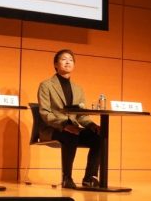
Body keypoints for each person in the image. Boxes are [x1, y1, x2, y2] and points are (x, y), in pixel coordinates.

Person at [36, 48, 102, 189]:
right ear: (56, 64)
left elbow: (81, 115)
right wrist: (65, 125)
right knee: (70, 134)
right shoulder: (46, 85)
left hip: (74, 128)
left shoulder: (78, 89)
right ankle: (67, 177)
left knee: (99, 136)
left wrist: (91, 125)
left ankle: (89, 177)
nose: (68, 62)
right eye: (64, 59)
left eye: (71, 60)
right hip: (53, 128)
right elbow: (45, 113)